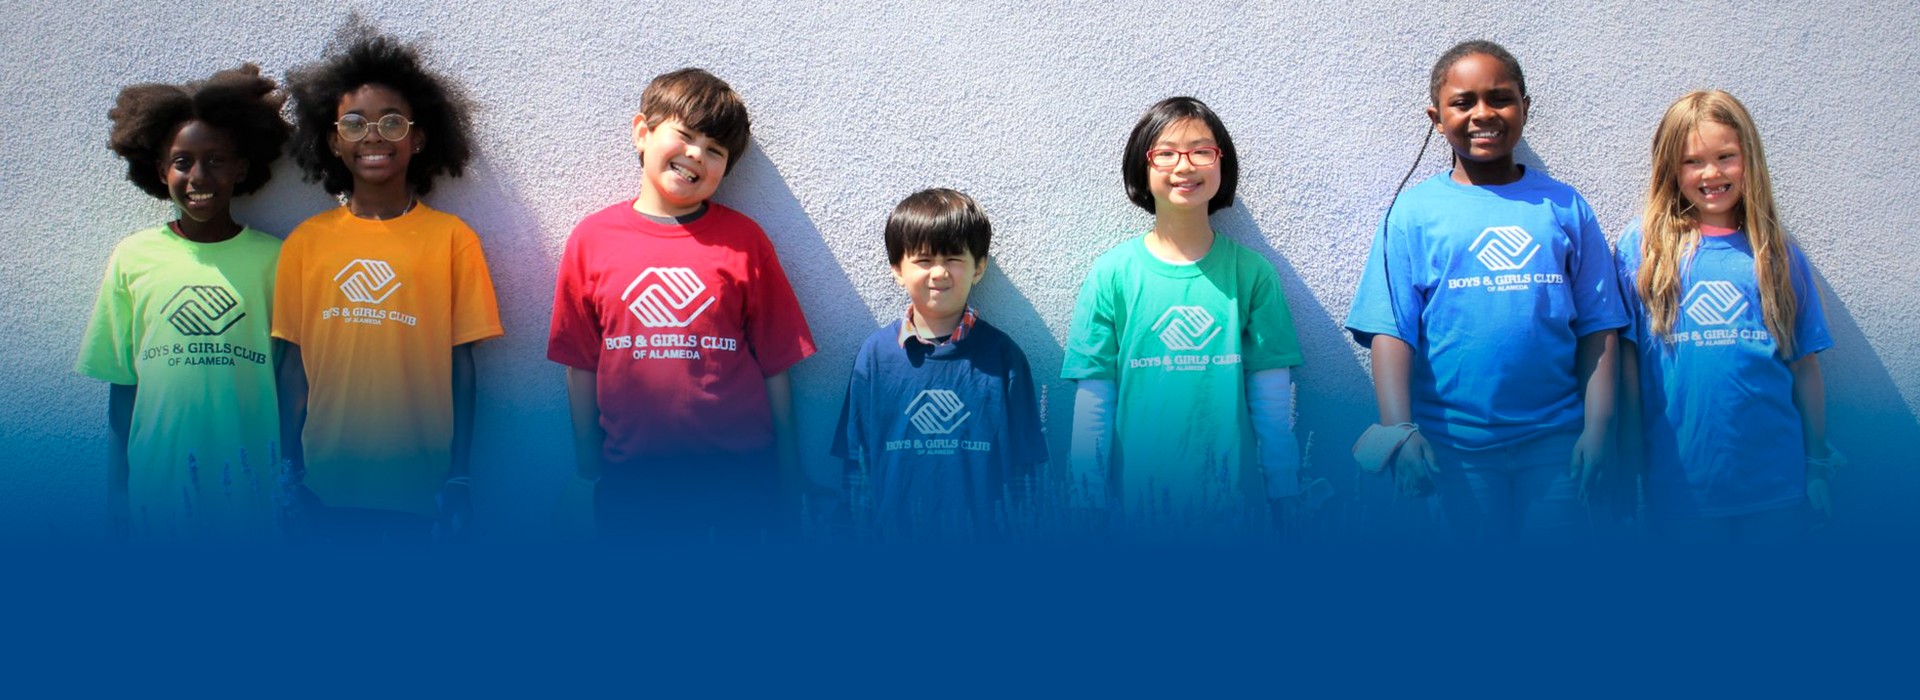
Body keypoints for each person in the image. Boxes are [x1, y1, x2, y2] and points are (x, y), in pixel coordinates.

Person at [1344, 40, 1626, 545]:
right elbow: (1392, 331)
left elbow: (1599, 325)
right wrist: (1398, 430)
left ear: (1525, 107)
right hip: (1451, 449)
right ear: (1435, 117)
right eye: (1463, 102)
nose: (1483, 114)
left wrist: (1600, 427)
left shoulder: (1564, 207)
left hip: (1557, 445)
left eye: (1500, 98)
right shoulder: (1412, 214)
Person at [547, 68, 816, 543]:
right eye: (686, 136)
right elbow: (578, 365)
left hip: (741, 480)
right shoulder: (591, 240)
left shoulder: (745, 241)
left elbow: (777, 363)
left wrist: (789, 471)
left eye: (715, 151)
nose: (696, 155)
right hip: (633, 483)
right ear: (642, 132)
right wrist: (588, 469)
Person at [277, 26, 503, 543]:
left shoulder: (453, 239)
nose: (373, 135)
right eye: (354, 124)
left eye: (391, 122)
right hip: (322, 488)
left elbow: (461, 366)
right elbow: (292, 367)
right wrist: (287, 469)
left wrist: (460, 476)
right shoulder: (304, 244)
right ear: (332, 141)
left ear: (419, 138)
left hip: (419, 493)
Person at [1061, 96, 1305, 534]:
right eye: (1166, 152)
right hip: (1134, 510)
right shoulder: (1112, 274)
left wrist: (1284, 492)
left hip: (1236, 507)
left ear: (1221, 164)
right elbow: (1094, 400)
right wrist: (1086, 499)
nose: (1185, 166)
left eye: (1201, 151)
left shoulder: (1251, 273)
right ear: (1143, 166)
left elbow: (1272, 400)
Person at [78, 64, 292, 543]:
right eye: (182, 161)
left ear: (242, 167)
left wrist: (291, 483)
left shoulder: (276, 261)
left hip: (252, 497)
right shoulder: (133, 258)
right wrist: (116, 492)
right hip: (157, 494)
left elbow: (290, 381)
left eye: (216, 160)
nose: (199, 176)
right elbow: (123, 387)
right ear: (160, 170)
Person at [1615, 90, 1835, 544]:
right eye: (1693, 161)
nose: (1711, 173)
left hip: (1776, 487)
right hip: (1679, 489)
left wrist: (1816, 463)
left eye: (1726, 157)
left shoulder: (1775, 253)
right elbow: (1630, 371)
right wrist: (1629, 465)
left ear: (1748, 158)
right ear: (1670, 169)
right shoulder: (1643, 249)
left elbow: (1805, 367)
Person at [830, 188, 1048, 541]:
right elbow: (856, 469)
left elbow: (1025, 471)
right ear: (897, 270)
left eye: (953, 258)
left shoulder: (1004, 358)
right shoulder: (874, 358)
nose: (939, 273)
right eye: (924, 259)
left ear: (979, 267)